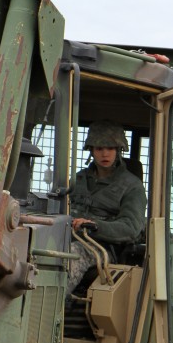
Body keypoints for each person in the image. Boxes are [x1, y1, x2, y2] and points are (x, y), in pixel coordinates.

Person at [67, 121, 147, 296]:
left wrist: (95, 226)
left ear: (119, 150)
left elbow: (131, 228)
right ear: (91, 150)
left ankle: (49, 309)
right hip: (66, 237)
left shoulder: (132, 187)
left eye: (110, 148)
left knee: (70, 256)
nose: (105, 153)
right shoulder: (76, 180)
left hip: (103, 248)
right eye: (99, 148)